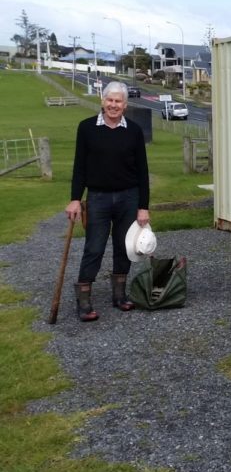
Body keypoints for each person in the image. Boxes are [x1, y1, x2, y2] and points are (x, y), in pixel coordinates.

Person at [65, 81, 150, 322]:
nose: (113, 105)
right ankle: (84, 301)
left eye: (118, 101)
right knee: (94, 247)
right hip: (98, 198)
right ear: (103, 101)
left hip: (128, 197)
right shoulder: (86, 128)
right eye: (110, 100)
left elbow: (142, 172)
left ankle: (119, 295)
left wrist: (143, 207)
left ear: (125, 105)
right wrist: (75, 199)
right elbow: (79, 167)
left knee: (125, 246)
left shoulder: (134, 131)